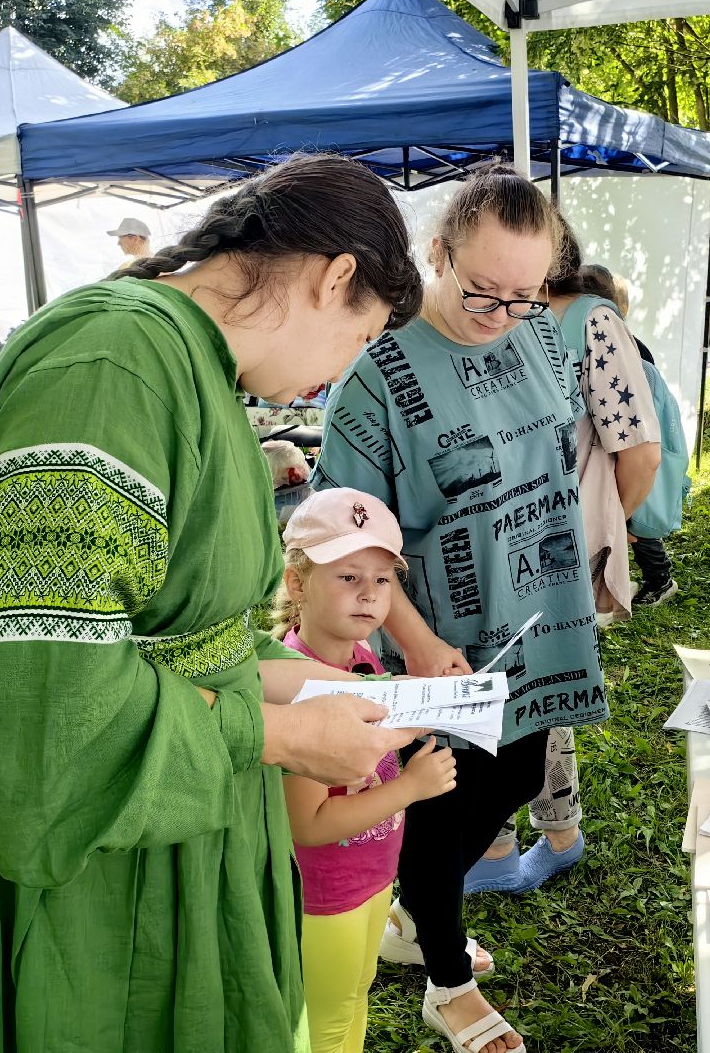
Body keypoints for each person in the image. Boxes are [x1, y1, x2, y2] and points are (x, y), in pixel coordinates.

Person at [0, 153, 428, 1052]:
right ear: (335, 278)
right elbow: (46, 710)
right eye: (362, 338)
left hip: (163, 850)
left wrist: (314, 688)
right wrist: (281, 736)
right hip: (76, 882)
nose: (339, 372)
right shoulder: (116, 366)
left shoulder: (191, 370)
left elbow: (188, 634)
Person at [314, 164, 608, 1053]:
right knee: (442, 802)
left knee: (519, 777)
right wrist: (417, 638)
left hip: (541, 616)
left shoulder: (539, 337)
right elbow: (346, 533)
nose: (503, 314)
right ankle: (445, 980)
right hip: (435, 635)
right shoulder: (378, 373)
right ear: (436, 255)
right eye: (483, 291)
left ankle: (409, 907)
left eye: (526, 295)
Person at [463, 233, 660, 898]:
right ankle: (499, 841)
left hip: (553, 554)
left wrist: (591, 537)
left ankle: (554, 837)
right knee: (490, 692)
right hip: (489, 548)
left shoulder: (590, 321)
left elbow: (640, 454)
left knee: (542, 696)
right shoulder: (489, 317)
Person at [272, 486, 460, 1053]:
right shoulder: (295, 687)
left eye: (382, 580)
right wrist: (408, 788)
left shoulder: (362, 659)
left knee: (358, 994)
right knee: (323, 1025)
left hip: (373, 873)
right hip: (324, 891)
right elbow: (311, 824)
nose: (369, 595)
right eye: (348, 577)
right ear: (298, 583)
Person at [592, 267, 678, 607]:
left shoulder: (626, 348)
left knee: (632, 519)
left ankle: (660, 578)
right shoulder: (622, 342)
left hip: (627, 448)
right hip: (616, 447)